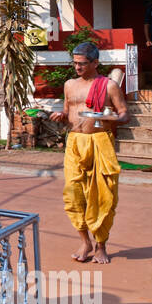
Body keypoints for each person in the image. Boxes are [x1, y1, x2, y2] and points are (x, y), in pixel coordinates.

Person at [47, 42, 128, 264]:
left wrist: (109, 117)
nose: (77, 68)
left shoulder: (109, 86)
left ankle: (101, 245)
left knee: (103, 196)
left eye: (82, 64)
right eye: (75, 63)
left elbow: (124, 114)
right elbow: (67, 109)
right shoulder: (69, 85)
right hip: (74, 142)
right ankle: (85, 242)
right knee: (73, 194)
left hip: (100, 142)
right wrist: (61, 116)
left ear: (95, 63)